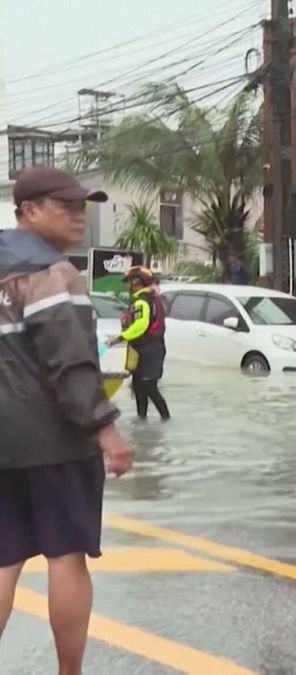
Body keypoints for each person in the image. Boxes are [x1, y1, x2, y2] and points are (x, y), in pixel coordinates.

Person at [0, 167, 135, 675]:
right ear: (29, 210)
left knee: (4, 558)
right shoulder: (52, 273)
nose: (79, 216)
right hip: (55, 440)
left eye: (82, 207)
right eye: (66, 207)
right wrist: (106, 430)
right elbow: (71, 363)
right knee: (66, 555)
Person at [106, 266, 170, 421]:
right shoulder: (151, 298)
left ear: (136, 282)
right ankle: (142, 420)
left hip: (149, 350)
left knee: (149, 387)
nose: (127, 285)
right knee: (139, 387)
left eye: (129, 282)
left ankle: (165, 418)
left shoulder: (142, 301)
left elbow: (141, 325)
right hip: (147, 349)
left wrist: (119, 338)